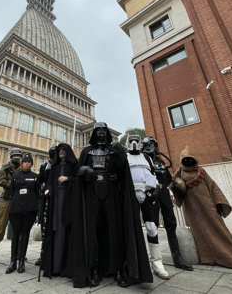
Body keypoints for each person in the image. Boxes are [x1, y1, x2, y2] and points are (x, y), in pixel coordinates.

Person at [71, 122, 153, 288]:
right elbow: (77, 171)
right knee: (93, 230)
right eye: (98, 130)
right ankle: (94, 270)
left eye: (104, 130)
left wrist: (121, 152)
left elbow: (124, 171)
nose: (101, 133)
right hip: (92, 193)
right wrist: (86, 168)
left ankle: (117, 270)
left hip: (112, 192)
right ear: (93, 133)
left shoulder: (115, 150)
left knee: (114, 229)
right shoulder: (87, 151)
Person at [170, 146, 232, 271]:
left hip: (207, 205)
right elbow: (173, 184)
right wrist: (177, 189)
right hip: (192, 207)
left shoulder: (201, 171)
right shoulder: (180, 171)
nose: (188, 162)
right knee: (199, 231)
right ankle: (207, 258)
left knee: (218, 229)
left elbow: (213, 187)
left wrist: (219, 203)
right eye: (186, 159)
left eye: (190, 159)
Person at [141, 137, 193, 271]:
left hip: (163, 195)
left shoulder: (160, 161)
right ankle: (155, 259)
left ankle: (177, 258)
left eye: (153, 144)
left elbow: (168, 178)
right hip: (151, 195)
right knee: (152, 226)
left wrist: (169, 186)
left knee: (171, 223)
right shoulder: (141, 161)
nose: (151, 147)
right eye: (148, 144)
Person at [126, 135, 169, 280]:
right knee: (131, 227)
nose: (133, 143)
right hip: (131, 194)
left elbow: (153, 174)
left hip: (147, 193)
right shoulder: (125, 157)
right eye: (131, 140)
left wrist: (155, 190)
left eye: (136, 141)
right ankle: (133, 262)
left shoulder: (147, 158)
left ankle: (157, 262)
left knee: (151, 226)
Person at [41, 143, 78, 277]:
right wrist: (47, 189)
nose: (61, 151)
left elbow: (79, 180)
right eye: (59, 150)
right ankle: (54, 266)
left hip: (68, 200)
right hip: (56, 201)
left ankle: (65, 267)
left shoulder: (73, 165)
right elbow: (50, 182)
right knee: (55, 230)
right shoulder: (54, 166)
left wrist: (69, 179)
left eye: (64, 149)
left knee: (66, 230)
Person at [0, 148, 24, 266]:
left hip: (19, 199)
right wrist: (14, 183)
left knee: (19, 225)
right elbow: (1, 181)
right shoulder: (5, 167)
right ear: (11, 156)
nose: (16, 157)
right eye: (14, 155)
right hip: (7, 198)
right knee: (0, 224)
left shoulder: (23, 168)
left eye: (18, 155)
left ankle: (18, 252)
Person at [6, 153, 39, 274]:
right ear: (22, 163)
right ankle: (13, 261)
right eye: (25, 162)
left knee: (25, 233)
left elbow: (37, 192)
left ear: (31, 164)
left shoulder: (35, 176)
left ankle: (21, 261)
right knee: (15, 232)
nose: (27, 163)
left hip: (30, 207)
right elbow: (12, 191)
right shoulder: (15, 176)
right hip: (17, 206)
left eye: (29, 162)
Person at [34, 144, 57, 266]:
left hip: (57, 198)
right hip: (46, 198)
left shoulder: (60, 164)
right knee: (44, 227)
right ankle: (43, 255)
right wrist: (40, 194)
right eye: (51, 151)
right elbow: (40, 180)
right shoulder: (44, 165)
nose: (53, 153)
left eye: (55, 151)